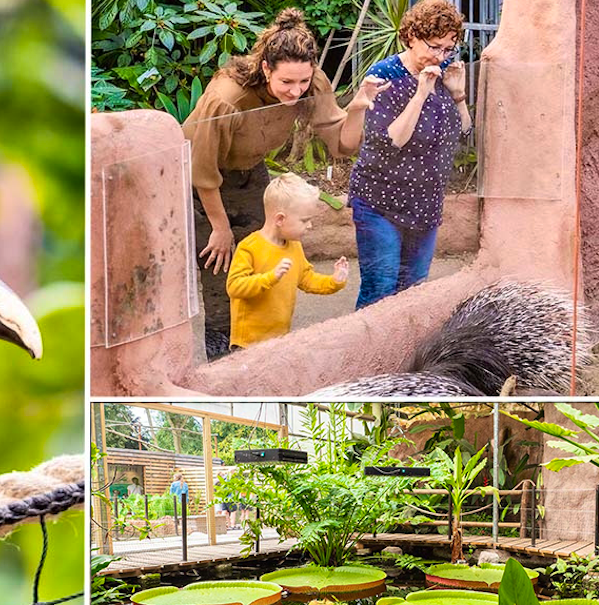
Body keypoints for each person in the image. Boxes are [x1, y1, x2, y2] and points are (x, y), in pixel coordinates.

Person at [183, 8, 387, 357]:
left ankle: (259, 344)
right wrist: (219, 226)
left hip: (250, 169)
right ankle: (222, 355)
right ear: (266, 68)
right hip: (199, 182)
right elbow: (201, 171)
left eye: (303, 82)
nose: (296, 91)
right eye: (286, 83)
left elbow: (342, 144)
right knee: (223, 269)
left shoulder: (312, 83)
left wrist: (357, 109)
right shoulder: (227, 98)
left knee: (266, 252)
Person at [348, 0, 471, 309]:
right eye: (434, 46)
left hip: (425, 204)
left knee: (414, 293)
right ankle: (366, 357)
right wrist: (420, 94)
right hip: (380, 202)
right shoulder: (384, 74)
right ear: (412, 37)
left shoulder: (443, 71)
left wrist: (458, 95)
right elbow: (392, 140)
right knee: (381, 289)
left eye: (447, 49)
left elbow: (464, 132)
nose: (440, 56)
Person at [226, 174, 348, 350]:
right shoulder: (249, 247)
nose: (310, 226)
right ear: (280, 219)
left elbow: (306, 279)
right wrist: (270, 278)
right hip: (248, 344)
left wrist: (334, 281)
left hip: (279, 339)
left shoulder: (294, 246)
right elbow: (234, 287)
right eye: (305, 220)